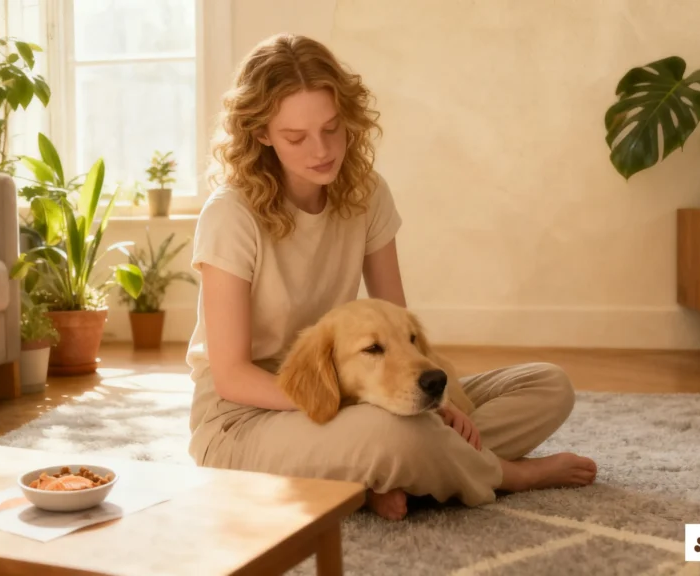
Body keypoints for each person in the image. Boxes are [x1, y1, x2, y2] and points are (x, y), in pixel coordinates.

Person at [185, 33, 597, 521]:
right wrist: (364, 409)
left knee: (547, 386)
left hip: (361, 387)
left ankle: (378, 476)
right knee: (394, 432)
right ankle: (503, 474)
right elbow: (231, 376)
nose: (321, 151)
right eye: (297, 137)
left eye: (333, 129)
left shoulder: (366, 194)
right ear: (262, 134)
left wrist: (437, 401)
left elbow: (402, 330)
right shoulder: (230, 215)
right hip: (245, 420)